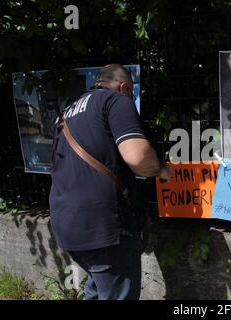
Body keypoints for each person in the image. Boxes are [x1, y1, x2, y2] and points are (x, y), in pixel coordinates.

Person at [49, 64, 170, 300]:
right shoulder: (115, 101)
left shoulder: (66, 113)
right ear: (123, 86)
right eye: (131, 93)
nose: (130, 98)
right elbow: (138, 158)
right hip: (104, 227)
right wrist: (163, 171)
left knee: (97, 290)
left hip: (67, 227)